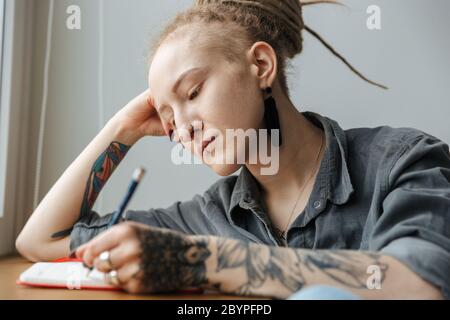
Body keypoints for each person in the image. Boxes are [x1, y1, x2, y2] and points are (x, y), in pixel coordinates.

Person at [16, 0, 449, 300]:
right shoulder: (207, 216)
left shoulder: (401, 161)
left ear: (260, 66)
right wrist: (121, 128)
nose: (182, 128)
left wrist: (204, 259)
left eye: (194, 91)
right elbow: (41, 240)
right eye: (167, 119)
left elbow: (422, 282)